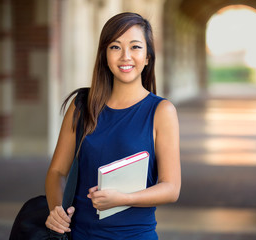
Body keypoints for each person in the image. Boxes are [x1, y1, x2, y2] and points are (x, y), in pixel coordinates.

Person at [45, 12, 180, 239]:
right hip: (79, 234)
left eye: (135, 47)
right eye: (115, 47)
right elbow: (57, 171)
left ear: (148, 57)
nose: (125, 56)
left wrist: (124, 199)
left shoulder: (161, 111)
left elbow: (171, 188)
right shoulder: (81, 106)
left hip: (135, 235)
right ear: (105, 56)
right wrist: (56, 209)